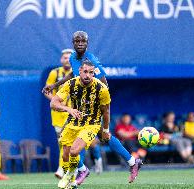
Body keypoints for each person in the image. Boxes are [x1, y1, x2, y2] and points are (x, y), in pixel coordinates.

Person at [43, 31, 142, 185]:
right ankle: (131, 161)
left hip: (93, 106)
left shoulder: (91, 60)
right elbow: (73, 74)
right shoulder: (73, 58)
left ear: (87, 43)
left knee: (92, 137)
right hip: (80, 106)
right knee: (102, 137)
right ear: (73, 43)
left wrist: (98, 104)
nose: (80, 43)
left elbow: (103, 82)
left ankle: (80, 171)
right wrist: (55, 85)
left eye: (83, 41)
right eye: (77, 41)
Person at [51, 60, 111, 188]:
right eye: (85, 72)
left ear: (94, 73)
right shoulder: (71, 84)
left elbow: (106, 112)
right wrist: (69, 109)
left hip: (92, 124)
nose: (87, 75)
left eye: (91, 72)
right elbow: (53, 103)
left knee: (74, 151)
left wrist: (105, 130)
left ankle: (68, 176)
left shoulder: (101, 88)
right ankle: (72, 181)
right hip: (73, 122)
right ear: (79, 71)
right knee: (65, 154)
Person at [44, 48, 73, 178]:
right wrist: (56, 102)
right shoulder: (54, 73)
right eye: (64, 58)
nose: (67, 60)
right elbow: (46, 90)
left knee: (70, 142)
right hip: (57, 113)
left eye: (69, 58)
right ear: (61, 60)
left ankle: (65, 168)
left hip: (73, 112)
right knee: (62, 141)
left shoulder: (78, 73)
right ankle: (64, 168)